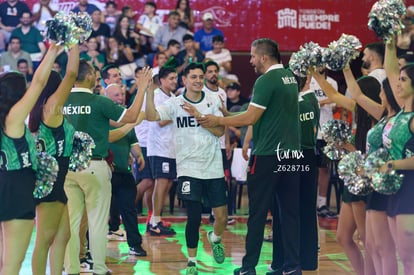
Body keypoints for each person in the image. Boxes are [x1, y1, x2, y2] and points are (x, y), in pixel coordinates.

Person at [196, 38, 302, 275]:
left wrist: (219, 120)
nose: (251, 60)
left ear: (264, 57)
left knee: (257, 213)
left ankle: (248, 267)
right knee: (289, 212)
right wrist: (228, 113)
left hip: (267, 156)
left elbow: (250, 118)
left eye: (253, 56)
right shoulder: (290, 78)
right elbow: (263, 113)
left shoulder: (266, 80)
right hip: (291, 155)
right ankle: (291, 267)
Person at [62, 62, 152, 275]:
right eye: (95, 73)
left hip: (67, 167)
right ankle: (99, 269)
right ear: (90, 76)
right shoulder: (99, 101)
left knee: (71, 223)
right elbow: (130, 117)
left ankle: (71, 268)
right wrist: (141, 89)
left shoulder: (62, 101)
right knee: (97, 221)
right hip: (94, 165)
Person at [146, 62, 228, 275]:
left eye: (201, 77)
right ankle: (192, 261)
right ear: (184, 80)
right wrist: (147, 91)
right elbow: (153, 116)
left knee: (221, 217)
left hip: (213, 167)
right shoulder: (174, 103)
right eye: (194, 77)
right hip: (188, 169)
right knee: (193, 217)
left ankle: (215, 237)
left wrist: (198, 116)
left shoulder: (212, 100)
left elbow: (220, 131)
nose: (198, 80)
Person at [0, 42, 60, 275]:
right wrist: (53, 50)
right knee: (12, 264)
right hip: (17, 186)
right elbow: (39, 82)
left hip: (5, 181)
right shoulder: (14, 117)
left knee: (4, 262)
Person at [28, 44, 79, 275]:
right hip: (49, 182)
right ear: (56, 88)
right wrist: (75, 44)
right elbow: (72, 74)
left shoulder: (41, 108)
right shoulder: (52, 107)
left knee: (63, 235)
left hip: (53, 180)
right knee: (44, 240)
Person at [105, 83, 147, 256]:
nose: (120, 98)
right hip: (105, 170)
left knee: (129, 209)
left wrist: (139, 155)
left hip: (124, 171)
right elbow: (112, 136)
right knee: (99, 213)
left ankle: (135, 244)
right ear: (106, 98)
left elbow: (132, 141)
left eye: (121, 94)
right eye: (115, 95)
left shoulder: (125, 115)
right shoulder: (104, 115)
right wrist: (132, 122)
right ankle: (91, 248)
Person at [147, 66, 178, 236]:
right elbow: (159, 120)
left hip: (171, 147)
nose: (175, 81)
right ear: (162, 80)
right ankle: (154, 222)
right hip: (159, 147)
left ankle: (156, 219)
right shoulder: (157, 96)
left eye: (176, 78)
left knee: (167, 183)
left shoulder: (173, 97)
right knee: (161, 183)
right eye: (172, 78)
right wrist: (177, 112)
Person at [310, 67, 338, 218]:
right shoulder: (308, 82)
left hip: (326, 132)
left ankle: (322, 203)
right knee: (309, 168)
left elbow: (335, 100)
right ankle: (309, 202)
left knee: (324, 169)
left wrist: (318, 102)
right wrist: (324, 100)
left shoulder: (331, 82)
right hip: (310, 132)